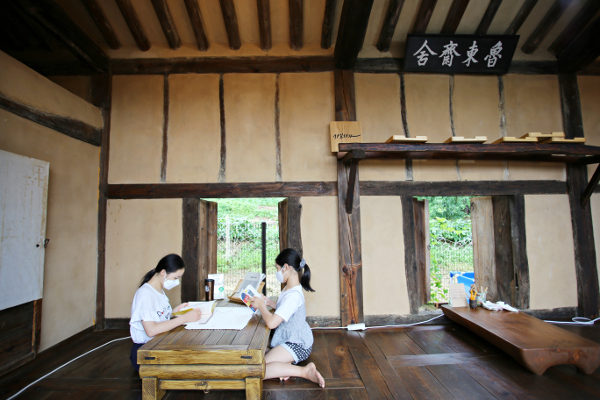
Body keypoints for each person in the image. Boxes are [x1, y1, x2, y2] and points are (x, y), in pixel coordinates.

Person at [249, 248, 325, 388]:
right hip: (290, 338)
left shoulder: (293, 296)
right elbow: (283, 308)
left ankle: (304, 371)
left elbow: (272, 323)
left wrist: (261, 306)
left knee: (259, 369)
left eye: (277, 269)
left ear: (286, 267)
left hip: (296, 344)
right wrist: (269, 303)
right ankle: (284, 365)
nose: (277, 273)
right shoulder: (289, 288)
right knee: (259, 359)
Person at [129, 253, 202, 372]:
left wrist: (174, 312)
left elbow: (158, 316)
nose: (177, 282)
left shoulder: (159, 291)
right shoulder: (145, 294)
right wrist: (184, 319)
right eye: (176, 278)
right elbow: (151, 330)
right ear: (163, 273)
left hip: (160, 343)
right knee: (192, 365)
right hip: (146, 351)